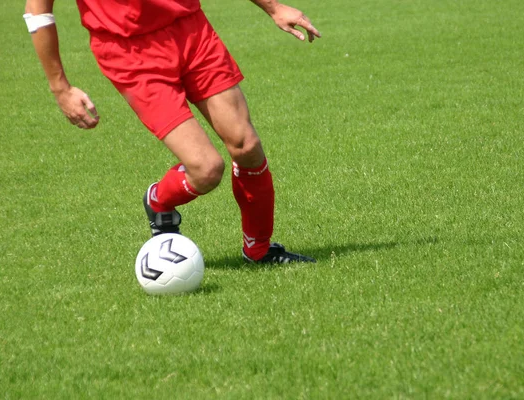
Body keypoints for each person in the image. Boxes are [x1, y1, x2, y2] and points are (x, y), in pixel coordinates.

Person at [24, 0, 321, 264]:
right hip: (130, 52)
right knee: (206, 169)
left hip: (192, 31)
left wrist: (274, 7)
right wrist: (60, 88)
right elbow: (38, 13)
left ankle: (259, 250)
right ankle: (158, 200)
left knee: (247, 146)